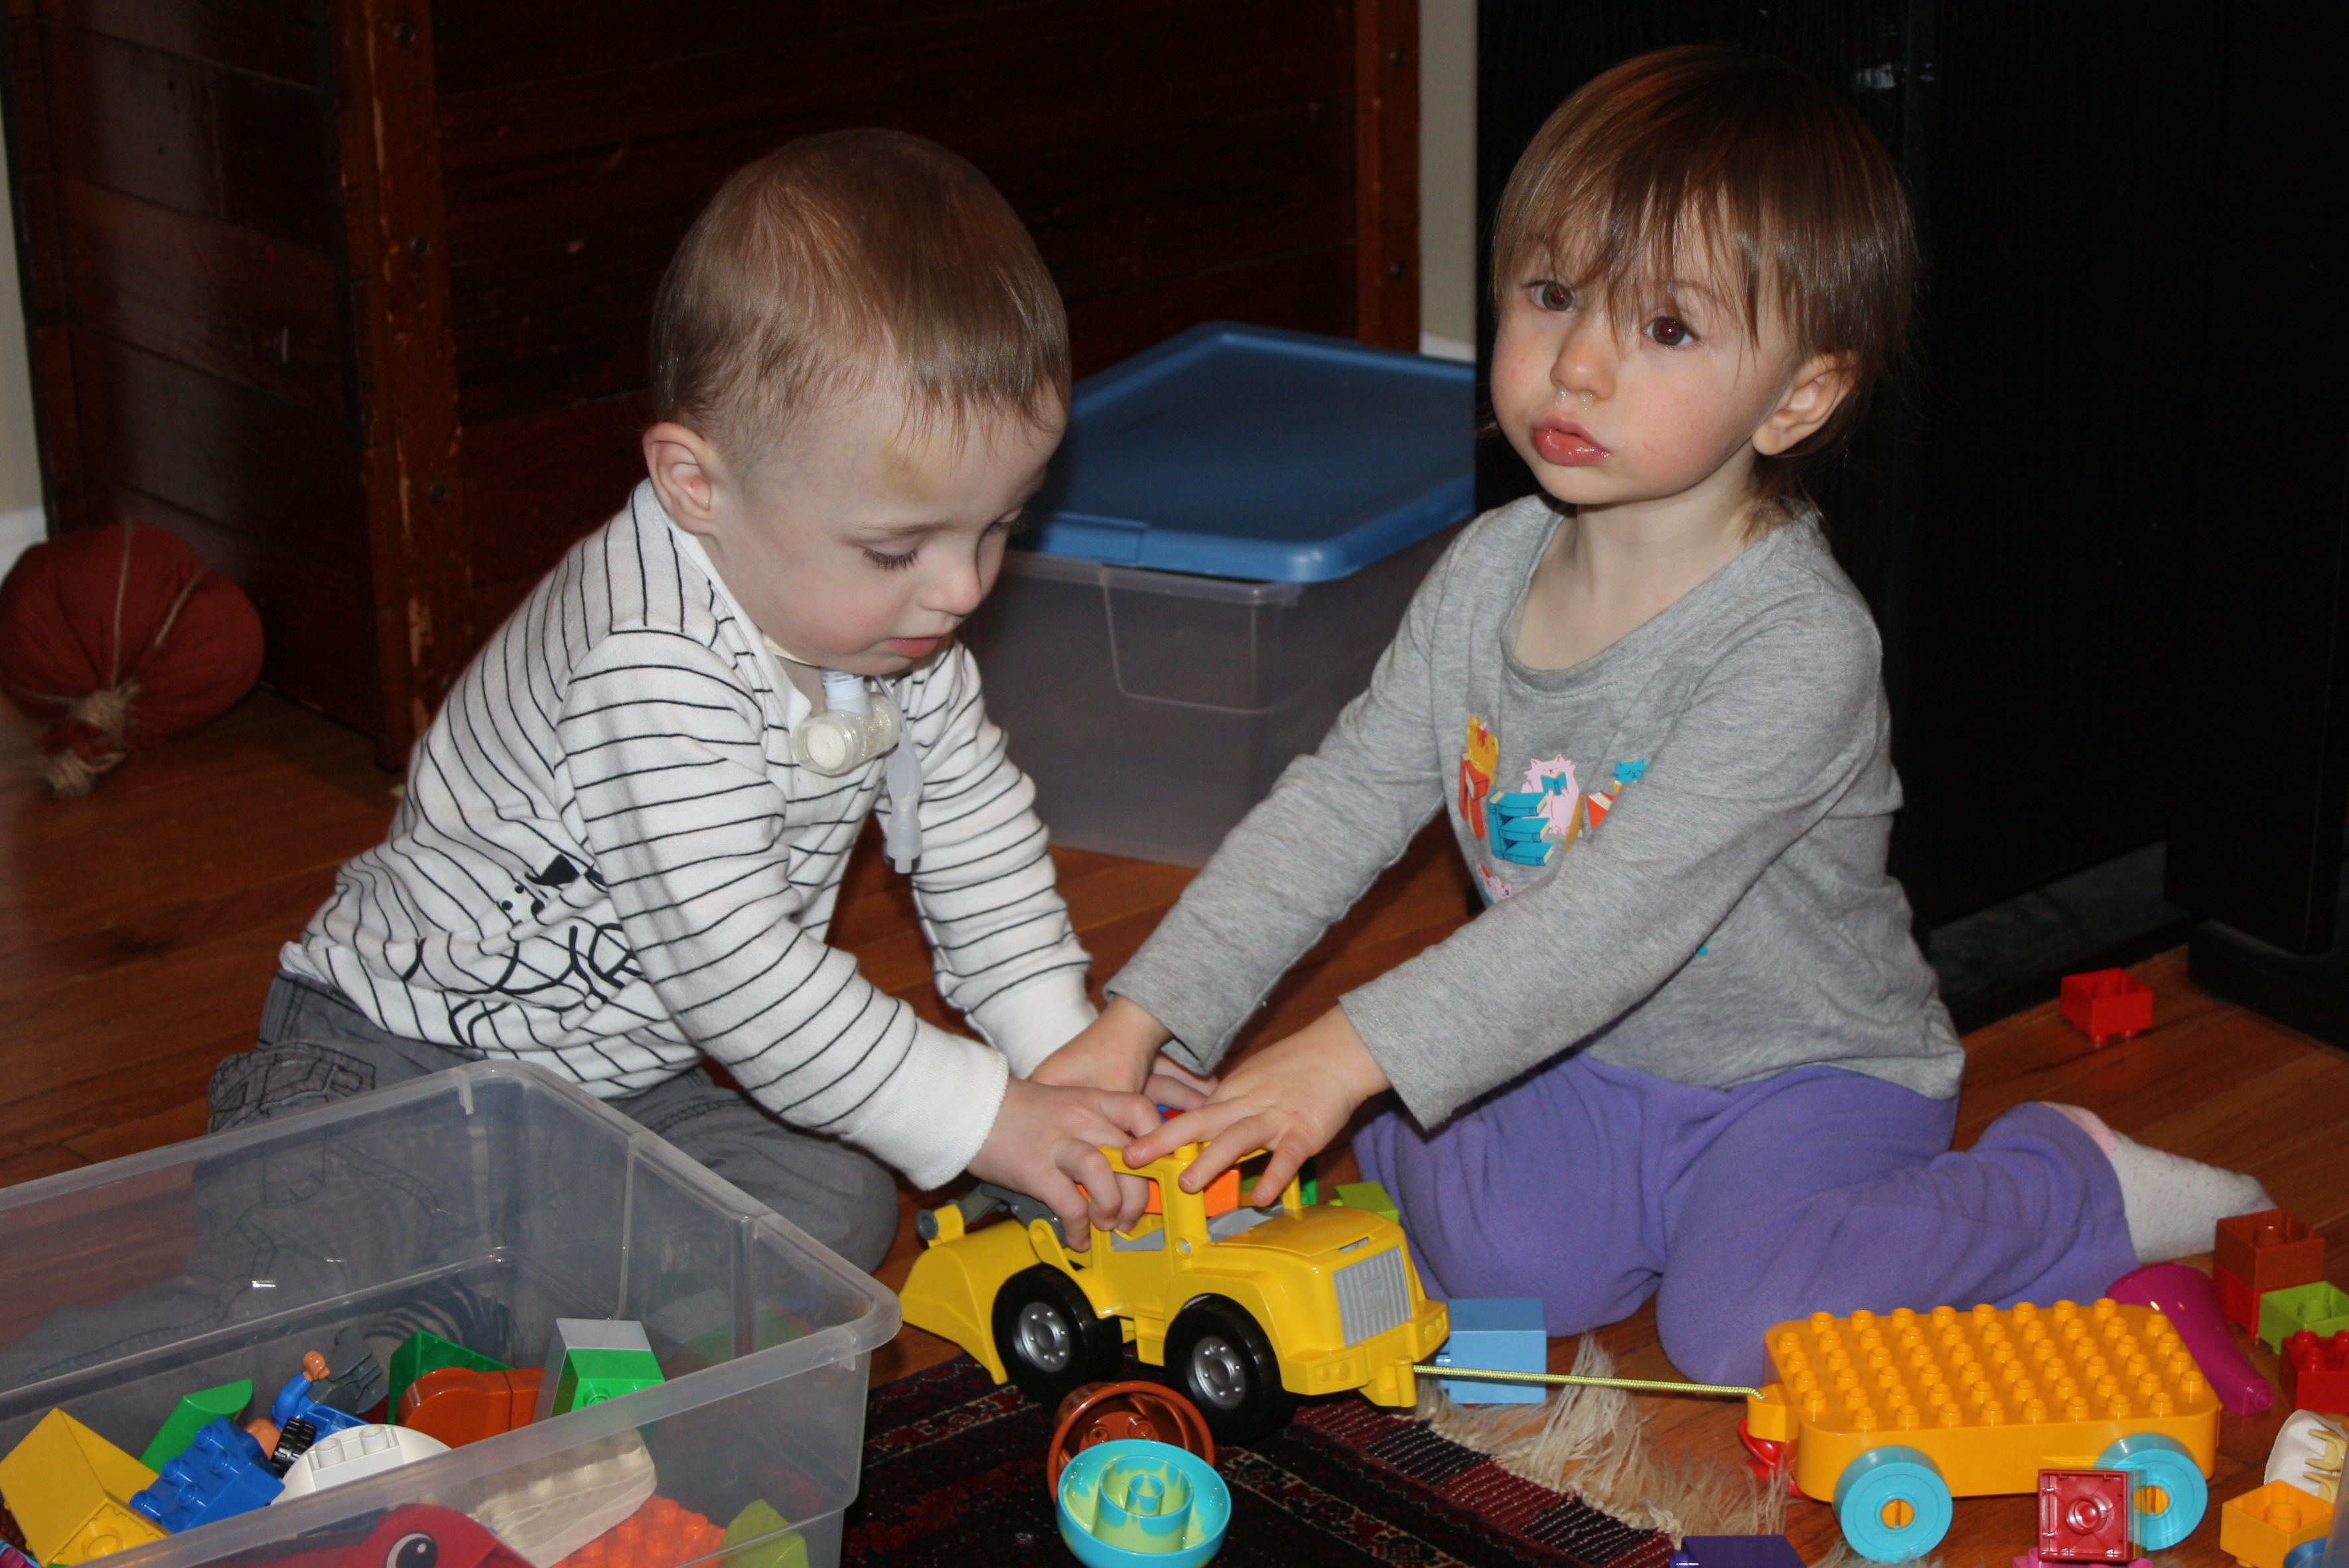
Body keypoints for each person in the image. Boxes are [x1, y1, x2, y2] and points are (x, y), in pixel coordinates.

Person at [1032, 46, 2269, 1384]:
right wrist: (1148, 1021)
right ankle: (1409, 1126)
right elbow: (1336, 810)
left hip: (1806, 1074)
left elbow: (1609, 922)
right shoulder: (1483, 576)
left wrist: (1345, 1054)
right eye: (1552, 295)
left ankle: (2066, 1182)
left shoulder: (1797, 648)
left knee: (1736, 1327)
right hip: (1575, 1053)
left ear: (1798, 398)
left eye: (1666, 330)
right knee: (1519, 1275)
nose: (1577, 365)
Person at [216, 131, 1184, 1273]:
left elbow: (979, 850)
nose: (962, 588)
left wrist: (1066, 1061)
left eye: (998, 526)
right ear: (694, 486)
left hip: (619, 1090)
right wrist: (987, 1118)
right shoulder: (650, 661)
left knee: (834, 1208)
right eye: (895, 548)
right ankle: (395, 1281)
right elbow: (742, 976)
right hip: (395, 1063)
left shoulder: (899, 631)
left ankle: (476, 1293)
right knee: (301, 1273)